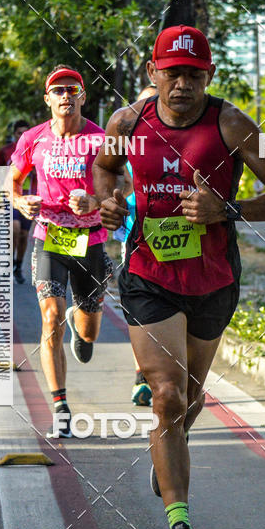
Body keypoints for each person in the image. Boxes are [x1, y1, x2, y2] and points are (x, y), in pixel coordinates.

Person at [94, 25, 265, 529]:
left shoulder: (231, 125)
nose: (181, 83)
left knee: (187, 399)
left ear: (208, 75)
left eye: (193, 73)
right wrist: (107, 202)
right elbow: (106, 168)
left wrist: (226, 210)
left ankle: (167, 454)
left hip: (212, 280)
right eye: (172, 72)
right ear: (153, 73)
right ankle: (179, 525)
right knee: (164, 395)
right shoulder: (128, 123)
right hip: (147, 274)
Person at [8, 67, 112, 439]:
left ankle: (81, 324)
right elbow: (12, 182)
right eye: (58, 90)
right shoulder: (33, 139)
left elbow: (126, 183)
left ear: (83, 96)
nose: (65, 95)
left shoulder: (100, 139)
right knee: (49, 317)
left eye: (72, 89)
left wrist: (96, 200)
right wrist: (21, 202)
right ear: (48, 99)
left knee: (89, 331)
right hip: (49, 236)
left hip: (92, 240)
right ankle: (61, 405)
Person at [113, 84, 157, 408]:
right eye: (144, 104)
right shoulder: (124, 143)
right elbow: (108, 177)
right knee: (139, 312)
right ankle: (142, 373)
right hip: (134, 236)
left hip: (180, 244)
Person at [0, 120, 33, 283]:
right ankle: (8, 264)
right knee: (14, 229)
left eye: (25, 132)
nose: (22, 136)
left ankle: (18, 265)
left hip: (29, 197)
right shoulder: (6, 151)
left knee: (24, 234)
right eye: (19, 133)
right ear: (14, 134)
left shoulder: (35, 150)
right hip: (9, 196)